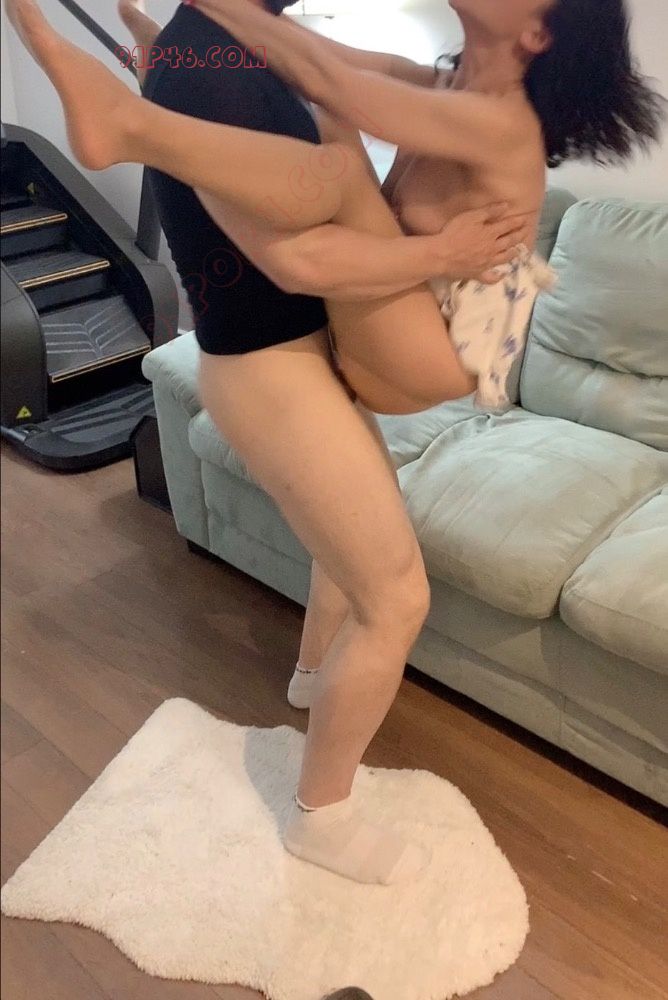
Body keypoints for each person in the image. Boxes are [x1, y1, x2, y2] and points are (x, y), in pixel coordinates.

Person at [8, 0, 662, 887]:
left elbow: (327, 83)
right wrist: (195, 52)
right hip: (377, 337)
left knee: (342, 164)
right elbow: (321, 57)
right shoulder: (446, 82)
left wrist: (215, 25)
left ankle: (135, 126)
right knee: (335, 144)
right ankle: (316, 680)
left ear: (539, 33)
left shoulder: (500, 122)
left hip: (437, 354)